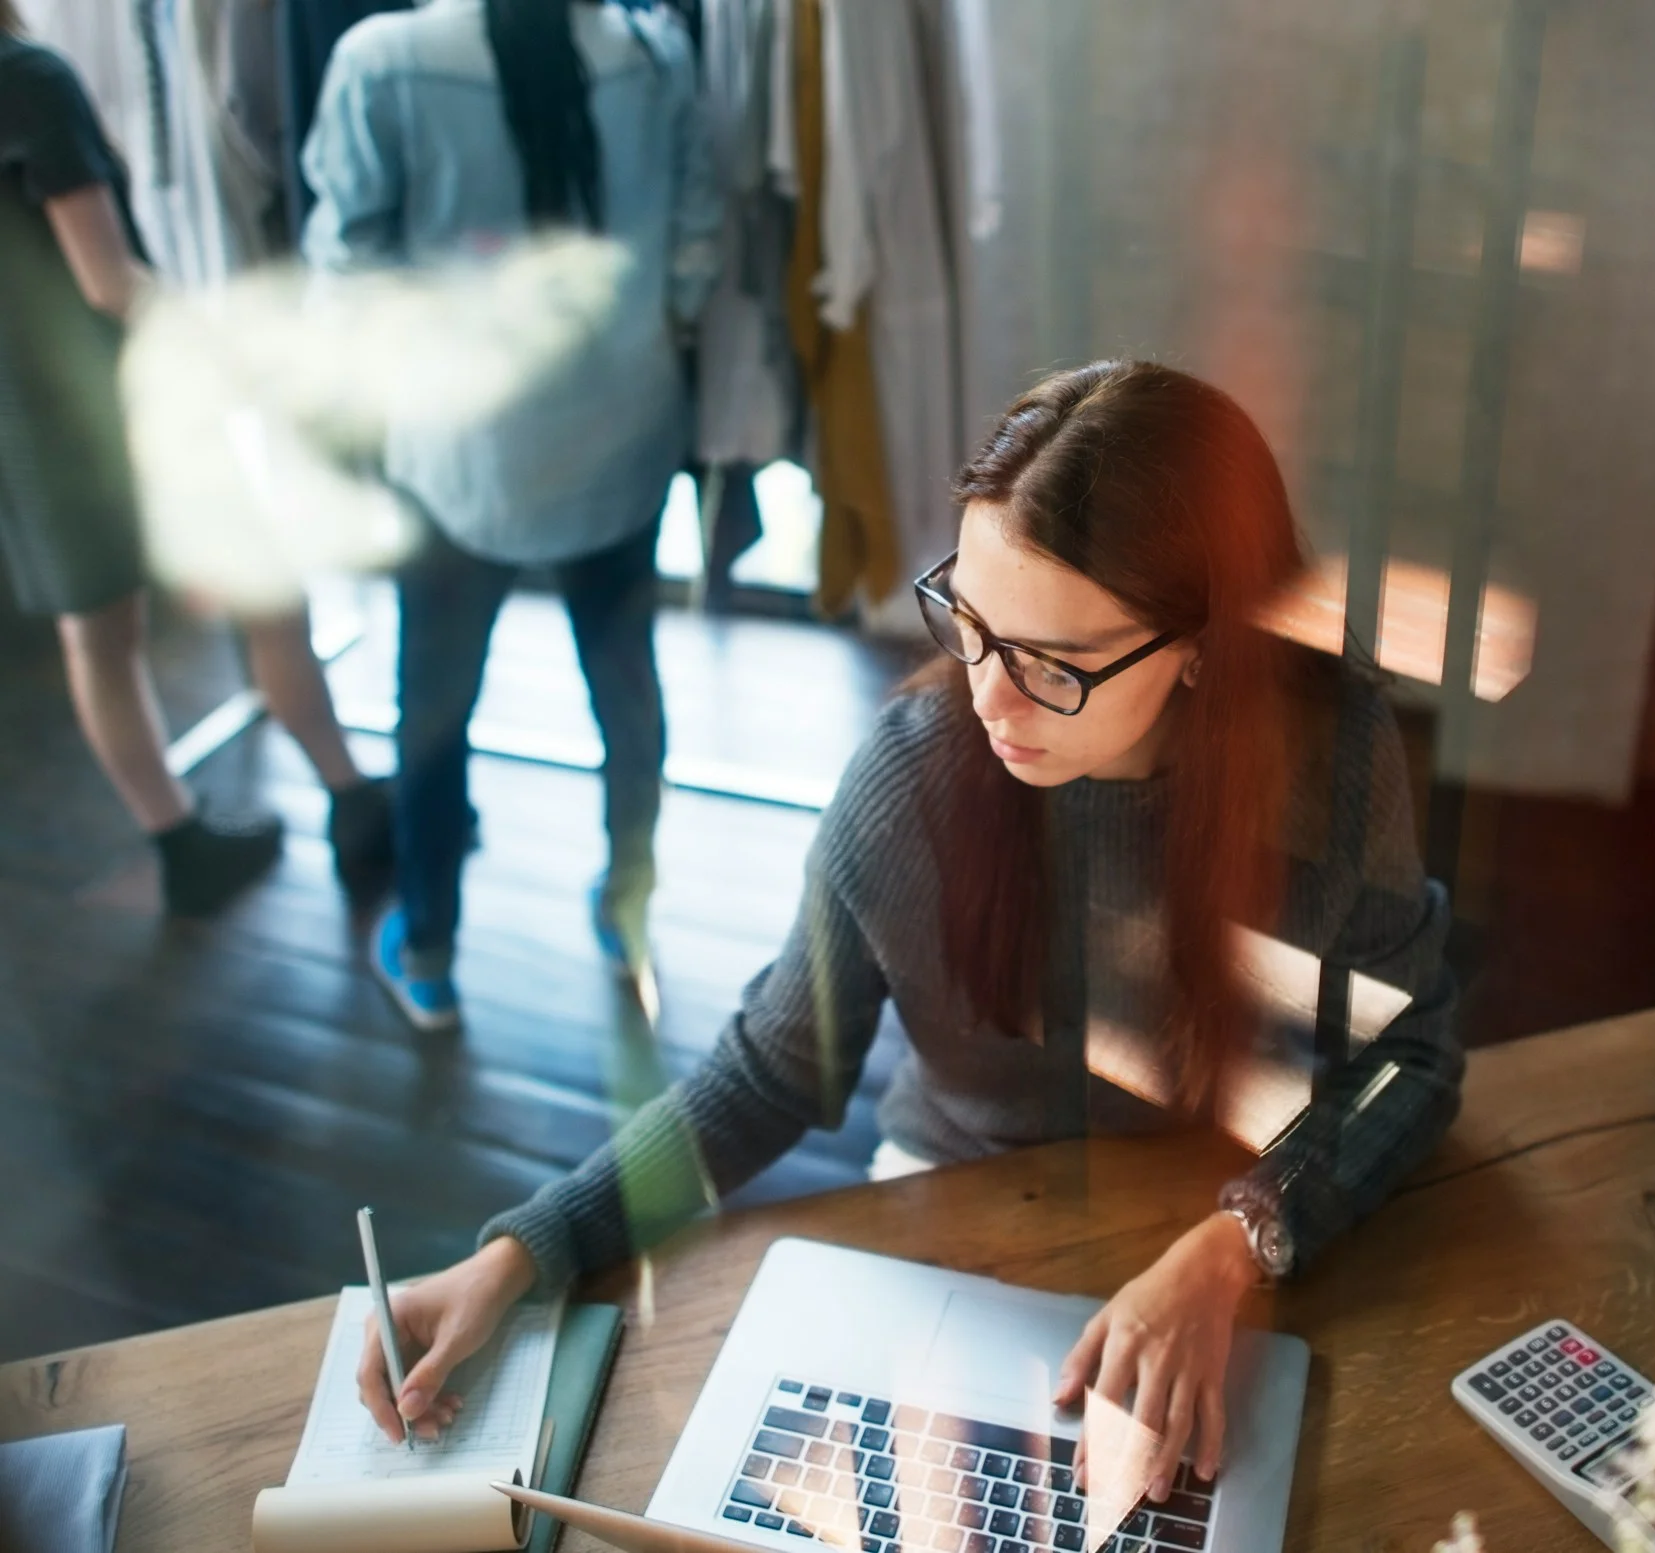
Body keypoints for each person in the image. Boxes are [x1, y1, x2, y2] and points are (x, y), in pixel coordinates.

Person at [356, 361, 1464, 1493]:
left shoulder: (1329, 759)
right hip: (955, 1192)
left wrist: (1237, 1245)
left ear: (1203, 647)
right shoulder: (912, 780)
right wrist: (526, 1249)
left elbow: (1412, 1059)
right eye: (970, 622)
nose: (989, 693)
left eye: (1053, 661)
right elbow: (769, 1070)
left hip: (1218, 1209)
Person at [302, 0, 721, 1031]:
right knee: (626, 688)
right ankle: (628, 909)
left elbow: (347, 266)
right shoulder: (652, 51)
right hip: (621, 428)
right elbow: (699, 246)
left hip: (459, 452)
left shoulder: (382, 58)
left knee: (434, 706)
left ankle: (433, 950)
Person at [0, 0, 392, 915]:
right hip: (127, 406)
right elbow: (109, 283)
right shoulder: (29, 81)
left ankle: (178, 844)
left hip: (19, 423)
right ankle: (352, 797)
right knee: (265, 595)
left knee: (96, 635)